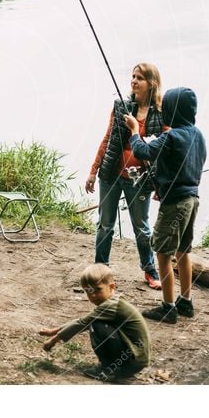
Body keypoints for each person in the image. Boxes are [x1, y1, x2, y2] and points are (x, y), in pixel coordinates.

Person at [124, 87, 207, 324]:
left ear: (172, 111)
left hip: (175, 204)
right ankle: (186, 302)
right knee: (183, 251)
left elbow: (142, 151)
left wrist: (134, 130)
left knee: (162, 253)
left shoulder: (170, 136)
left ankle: (168, 307)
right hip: (193, 199)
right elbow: (191, 162)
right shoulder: (198, 135)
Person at [85, 63, 166, 289]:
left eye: (139, 78)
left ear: (152, 83)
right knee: (105, 225)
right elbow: (107, 138)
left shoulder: (161, 114)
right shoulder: (121, 106)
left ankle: (149, 269)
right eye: (132, 76)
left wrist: (161, 185)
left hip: (140, 181)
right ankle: (101, 270)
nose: (133, 81)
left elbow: (165, 152)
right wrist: (93, 171)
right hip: (111, 175)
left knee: (141, 227)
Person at [39, 263, 151, 382]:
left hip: (132, 360)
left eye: (98, 289)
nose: (93, 295)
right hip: (137, 359)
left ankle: (109, 369)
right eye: (88, 291)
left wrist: (54, 339)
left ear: (112, 286)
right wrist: (54, 331)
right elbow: (81, 321)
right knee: (95, 322)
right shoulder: (115, 301)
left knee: (96, 325)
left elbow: (82, 323)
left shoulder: (110, 306)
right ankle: (117, 368)